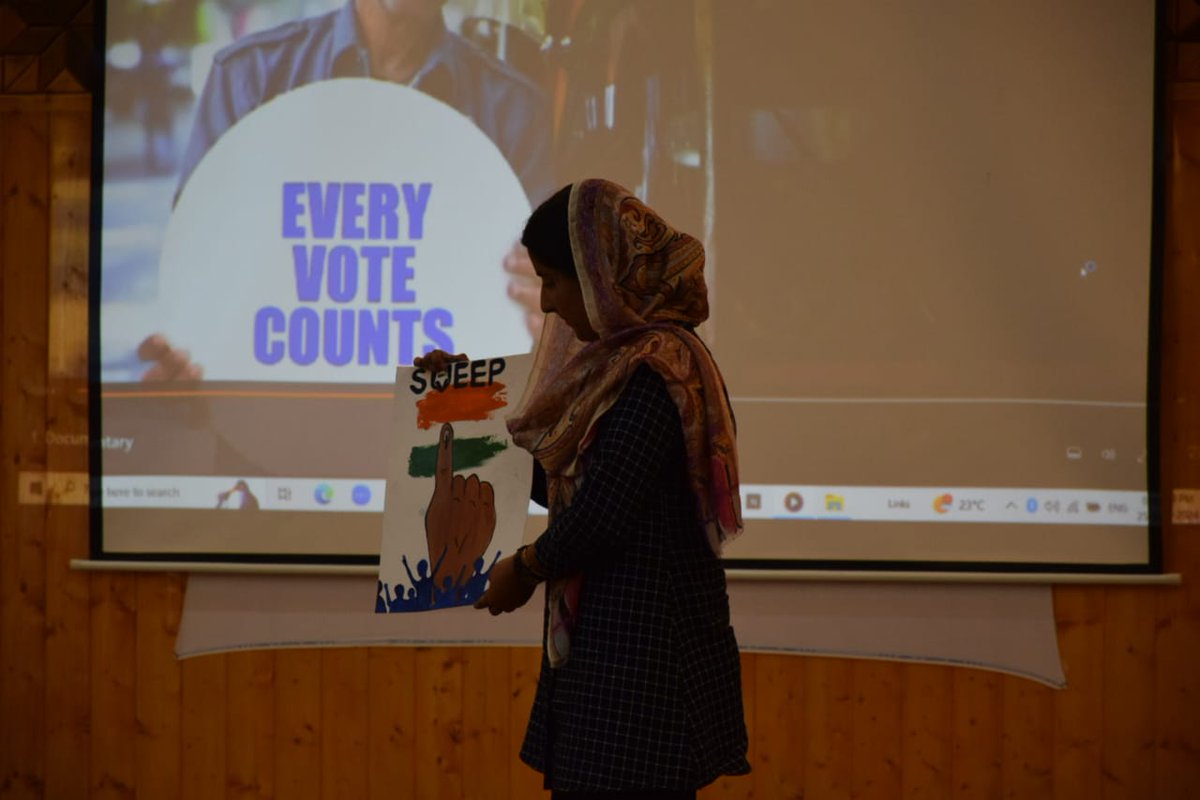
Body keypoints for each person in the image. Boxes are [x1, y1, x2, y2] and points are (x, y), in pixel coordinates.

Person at [469, 179, 750, 797]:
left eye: (554, 280)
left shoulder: (656, 372)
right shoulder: (619, 364)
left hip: (642, 672)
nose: (545, 304)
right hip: (614, 662)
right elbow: (560, 480)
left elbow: (602, 514)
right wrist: (455, 406)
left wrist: (525, 566)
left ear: (600, 274)